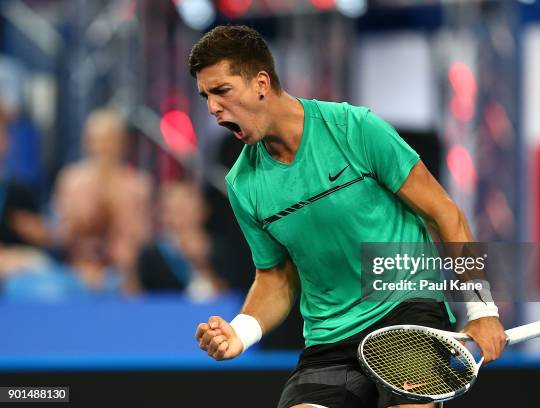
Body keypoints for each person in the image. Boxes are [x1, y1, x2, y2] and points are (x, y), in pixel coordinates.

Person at [190, 25, 506, 408]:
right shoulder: (243, 184)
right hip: (330, 338)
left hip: (406, 311)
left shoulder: (354, 129)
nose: (212, 109)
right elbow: (276, 276)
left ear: (260, 83)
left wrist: (481, 308)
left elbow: (445, 214)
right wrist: (241, 331)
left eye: (221, 91)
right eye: (206, 96)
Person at [53, 109, 152, 294]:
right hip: (77, 273)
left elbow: (143, 239)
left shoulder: (138, 184)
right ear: (87, 143)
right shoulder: (70, 180)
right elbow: (61, 236)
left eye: (109, 140)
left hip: (124, 274)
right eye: (96, 140)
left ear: (122, 144)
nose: (103, 146)